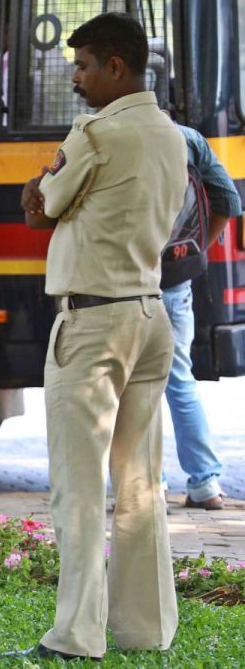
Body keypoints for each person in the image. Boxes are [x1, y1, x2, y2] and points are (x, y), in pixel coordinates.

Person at [13, 13, 186, 661]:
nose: (76, 78)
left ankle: (75, 634)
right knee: (141, 482)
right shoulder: (172, 135)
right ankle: (146, 628)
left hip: (92, 323)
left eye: (84, 65)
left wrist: (41, 193)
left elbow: (41, 207)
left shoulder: (97, 132)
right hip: (149, 313)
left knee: (79, 487)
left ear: (117, 67)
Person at [161, 123, 242, 510]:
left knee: (127, 387)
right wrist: (197, 250)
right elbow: (229, 202)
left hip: (124, 282)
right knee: (179, 380)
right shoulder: (188, 138)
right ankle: (206, 484)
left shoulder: (106, 132)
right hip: (175, 277)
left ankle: (146, 484)